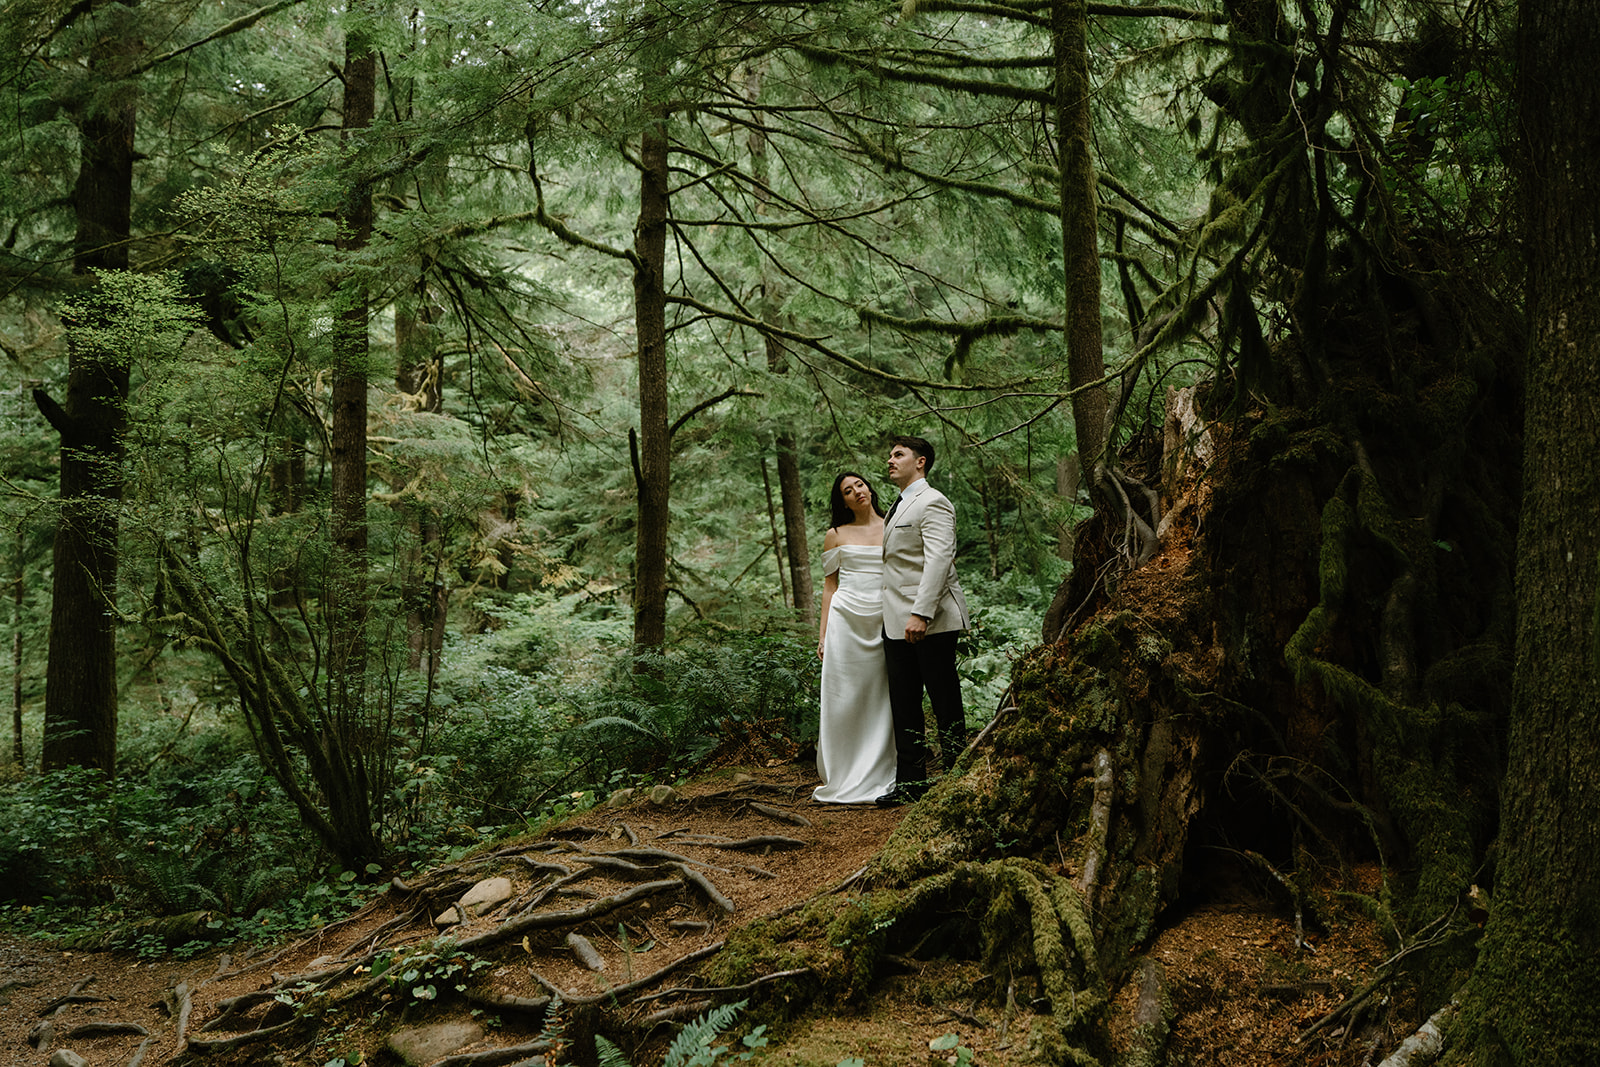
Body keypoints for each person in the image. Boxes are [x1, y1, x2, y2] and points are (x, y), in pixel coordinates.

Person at [878, 436, 969, 806]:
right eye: (890, 455)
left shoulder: (933, 502)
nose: (890, 460)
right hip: (895, 622)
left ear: (921, 462)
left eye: (898, 454)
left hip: (930, 622)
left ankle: (957, 777)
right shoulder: (896, 506)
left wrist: (921, 613)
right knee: (904, 703)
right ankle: (911, 784)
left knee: (944, 699)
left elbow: (938, 560)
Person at [812, 472, 898, 804]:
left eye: (859, 485)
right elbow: (829, 587)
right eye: (848, 491)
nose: (856, 492)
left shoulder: (893, 523)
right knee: (845, 696)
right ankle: (844, 771)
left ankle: (879, 772)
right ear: (843, 501)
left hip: (883, 619)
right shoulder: (835, 535)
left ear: (869, 488)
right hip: (845, 621)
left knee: (881, 696)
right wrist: (822, 635)